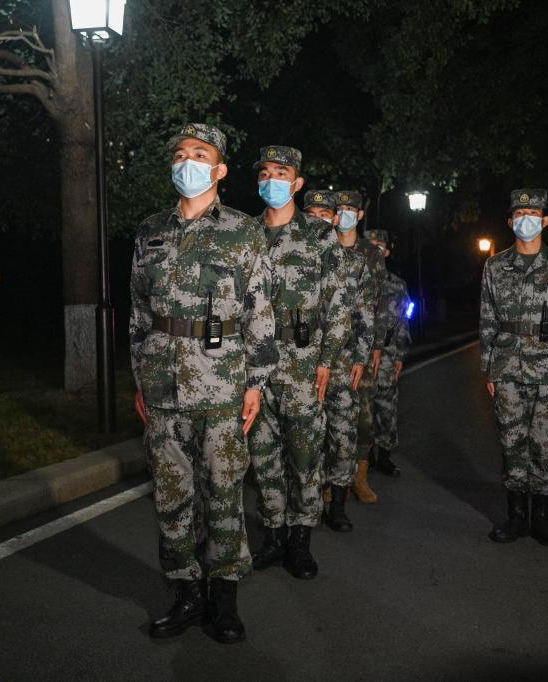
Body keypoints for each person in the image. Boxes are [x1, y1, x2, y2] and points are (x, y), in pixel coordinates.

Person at [129, 123, 278, 644]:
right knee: (171, 496)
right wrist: (140, 379)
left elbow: (260, 313)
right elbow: (138, 314)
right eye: (179, 154)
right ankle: (186, 593)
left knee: (223, 492)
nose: (186, 161)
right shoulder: (150, 231)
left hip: (222, 385)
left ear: (219, 170)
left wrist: (256, 383)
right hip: (162, 385)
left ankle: (224, 599)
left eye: (199, 153)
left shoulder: (244, 231)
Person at [247, 148, 352, 578]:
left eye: (281, 172)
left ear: (297, 183)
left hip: (303, 363)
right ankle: (273, 536)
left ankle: (300, 541)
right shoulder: (245, 233)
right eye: (265, 173)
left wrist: (327, 360)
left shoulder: (319, 235)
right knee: (263, 455)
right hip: (254, 365)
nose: (272, 179)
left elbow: (337, 303)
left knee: (305, 455)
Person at [480, 188, 548, 547]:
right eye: (520, 214)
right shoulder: (495, 266)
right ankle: (516, 517)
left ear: (545, 221)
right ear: (510, 222)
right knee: (512, 443)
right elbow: (487, 319)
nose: (527, 220)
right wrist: (489, 367)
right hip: (507, 365)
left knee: (544, 443)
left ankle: (542, 518)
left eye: (534, 214)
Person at [305, 189, 380, 530]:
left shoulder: (354, 262)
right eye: (312, 215)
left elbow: (365, 316)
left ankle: (337, 503)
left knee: (343, 433)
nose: (319, 221)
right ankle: (308, 499)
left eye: (325, 215)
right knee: (307, 434)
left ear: (335, 219)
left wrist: (361, 358)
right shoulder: (295, 260)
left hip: (343, 360)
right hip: (303, 361)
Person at [365, 229, 411, 478]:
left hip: (387, 353)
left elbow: (404, 320)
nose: (375, 249)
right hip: (360, 353)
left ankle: (384, 456)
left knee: (386, 407)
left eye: (380, 245)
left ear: (387, 252)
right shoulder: (355, 279)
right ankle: (363, 458)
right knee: (362, 407)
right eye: (370, 244)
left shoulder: (397, 285)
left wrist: (400, 354)